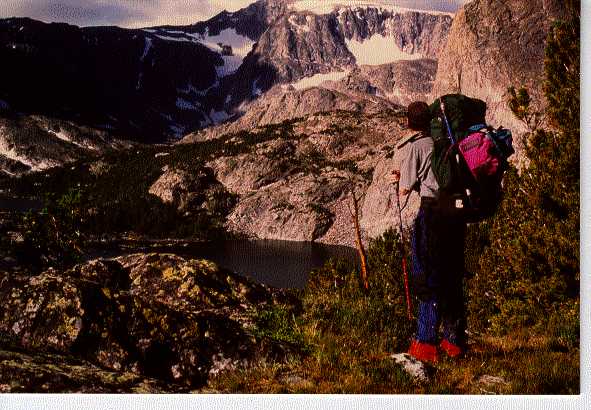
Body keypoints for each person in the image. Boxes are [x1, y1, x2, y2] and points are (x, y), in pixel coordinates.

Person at [392, 101, 467, 363]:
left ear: (408, 121)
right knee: (452, 274)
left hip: (432, 214)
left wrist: (399, 178)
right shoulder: (445, 142)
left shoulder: (416, 146)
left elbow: (404, 187)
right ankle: (454, 340)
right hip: (456, 215)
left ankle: (425, 343)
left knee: (427, 274)